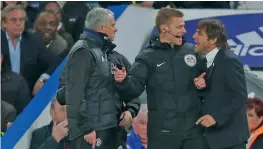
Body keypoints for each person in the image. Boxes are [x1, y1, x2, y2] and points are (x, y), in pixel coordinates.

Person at [114, 8, 206, 149]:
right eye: (179, 26)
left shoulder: (193, 52)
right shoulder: (147, 57)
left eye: (184, 26)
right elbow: (134, 87)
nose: (184, 30)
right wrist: (123, 81)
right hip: (163, 134)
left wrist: (205, 83)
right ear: (164, 28)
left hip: (194, 133)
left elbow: (210, 80)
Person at [63, 7, 136, 149]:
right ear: (101, 27)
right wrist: (87, 128)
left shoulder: (98, 50)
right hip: (91, 132)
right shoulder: (83, 51)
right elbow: (75, 95)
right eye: (113, 25)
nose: (116, 29)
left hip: (106, 129)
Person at [193, 19, 249, 149]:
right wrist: (200, 86)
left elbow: (240, 97)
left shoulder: (229, 61)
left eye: (199, 33)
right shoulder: (204, 61)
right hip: (214, 139)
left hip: (230, 141)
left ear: (212, 40)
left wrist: (216, 117)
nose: (194, 36)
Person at [1, 5, 59, 96]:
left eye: (21, 20)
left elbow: (54, 62)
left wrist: (43, 78)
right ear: (4, 23)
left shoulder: (34, 40)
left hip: (28, 94)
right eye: (14, 20)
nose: (18, 23)